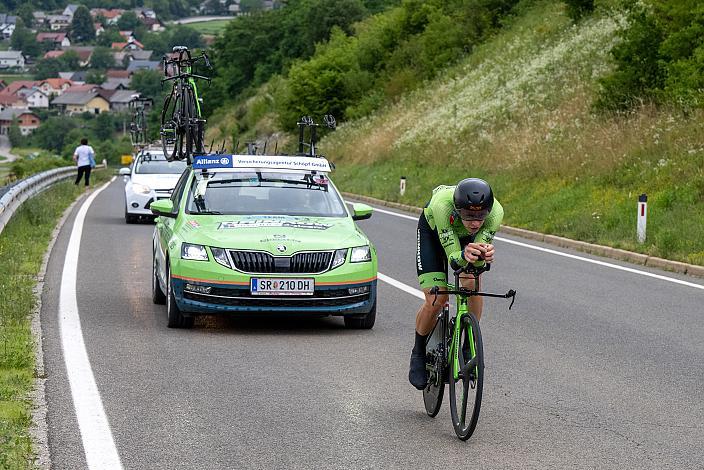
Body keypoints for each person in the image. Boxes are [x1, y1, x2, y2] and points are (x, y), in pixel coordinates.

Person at [409, 178, 504, 390]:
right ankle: (418, 352)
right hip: (434, 235)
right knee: (437, 298)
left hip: (464, 241)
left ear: (489, 210)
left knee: (471, 282)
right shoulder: (442, 206)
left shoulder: (496, 212)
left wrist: (483, 255)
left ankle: (468, 342)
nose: (475, 222)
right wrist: (465, 254)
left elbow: (477, 256)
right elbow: (453, 258)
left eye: (481, 216)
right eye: (468, 215)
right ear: (457, 208)